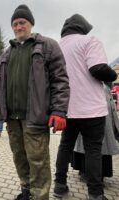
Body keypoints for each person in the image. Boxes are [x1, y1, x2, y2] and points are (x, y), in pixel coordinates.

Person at [0, 4, 70, 200]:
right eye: (14, 24)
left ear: (31, 23)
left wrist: (59, 111)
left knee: (38, 161)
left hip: (35, 117)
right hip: (12, 119)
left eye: (22, 22)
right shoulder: (7, 54)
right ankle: (26, 190)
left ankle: (39, 196)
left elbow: (60, 80)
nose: (18, 27)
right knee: (20, 158)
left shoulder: (47, 46)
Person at [53, 14, 117, 200]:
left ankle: (59, 185)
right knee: (93, 151)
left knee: (65, 146)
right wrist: (112, 75)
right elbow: (97, 68)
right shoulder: (89, 41)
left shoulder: (58, 46)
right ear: (83, 27)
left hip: (66, 108)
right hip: (92, 109)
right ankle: (95, 194)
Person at [72, 84, 119, 183]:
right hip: (90, 112)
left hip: (100, 112)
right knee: (91, 145)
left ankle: (93, 174)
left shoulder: (103, 85)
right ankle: (89, 175)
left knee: (97, 145)